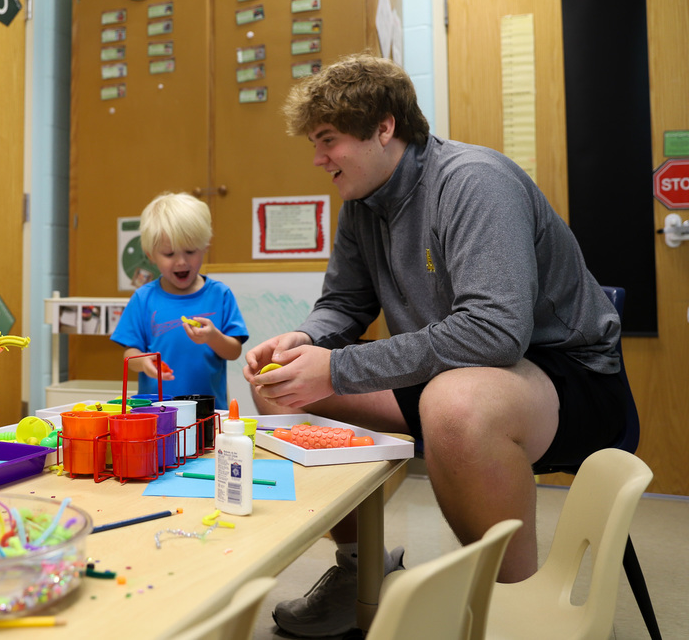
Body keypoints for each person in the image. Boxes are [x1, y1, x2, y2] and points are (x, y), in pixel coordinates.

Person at [243, 53, 628, 637]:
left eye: (328, 140)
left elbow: (495, 332)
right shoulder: (361, 207)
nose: (318, 159)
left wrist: (341, 367)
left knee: (454, 403)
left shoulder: (474, 182)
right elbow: (344, 305)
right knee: (283, 386)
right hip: (453, 372)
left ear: (384, 127)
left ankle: (516, 611)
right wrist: (309, 340)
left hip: (569, 375)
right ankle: (358, 574)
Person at [111, 192, 249, 403]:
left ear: (205, 247)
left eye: (190, 251)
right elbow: (129, 353)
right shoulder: (143, 298)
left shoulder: (220, 295)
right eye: (169, 254)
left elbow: (234, 351)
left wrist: (213, 337)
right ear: (150, 255)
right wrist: (143, 361)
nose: (181, 262)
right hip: (156, 412)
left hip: (208, 413)